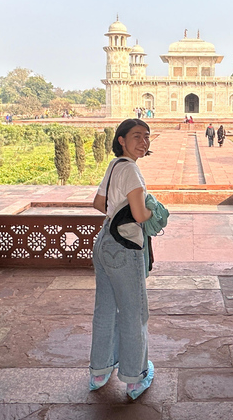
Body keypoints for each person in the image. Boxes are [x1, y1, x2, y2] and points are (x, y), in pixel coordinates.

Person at [89, 119, 155, 400]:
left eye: (147, 137)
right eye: (137, 136)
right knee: (134, 312)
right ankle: (134, 377)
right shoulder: (131, 171)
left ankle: (99, 371)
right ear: (121, 140)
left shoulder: (115, 166)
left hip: (104, 242)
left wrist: (121, 206)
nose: (143, 142)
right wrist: (155, 211)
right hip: (125, 247)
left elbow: (97, 203)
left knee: (105, 308)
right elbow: (140, 216)